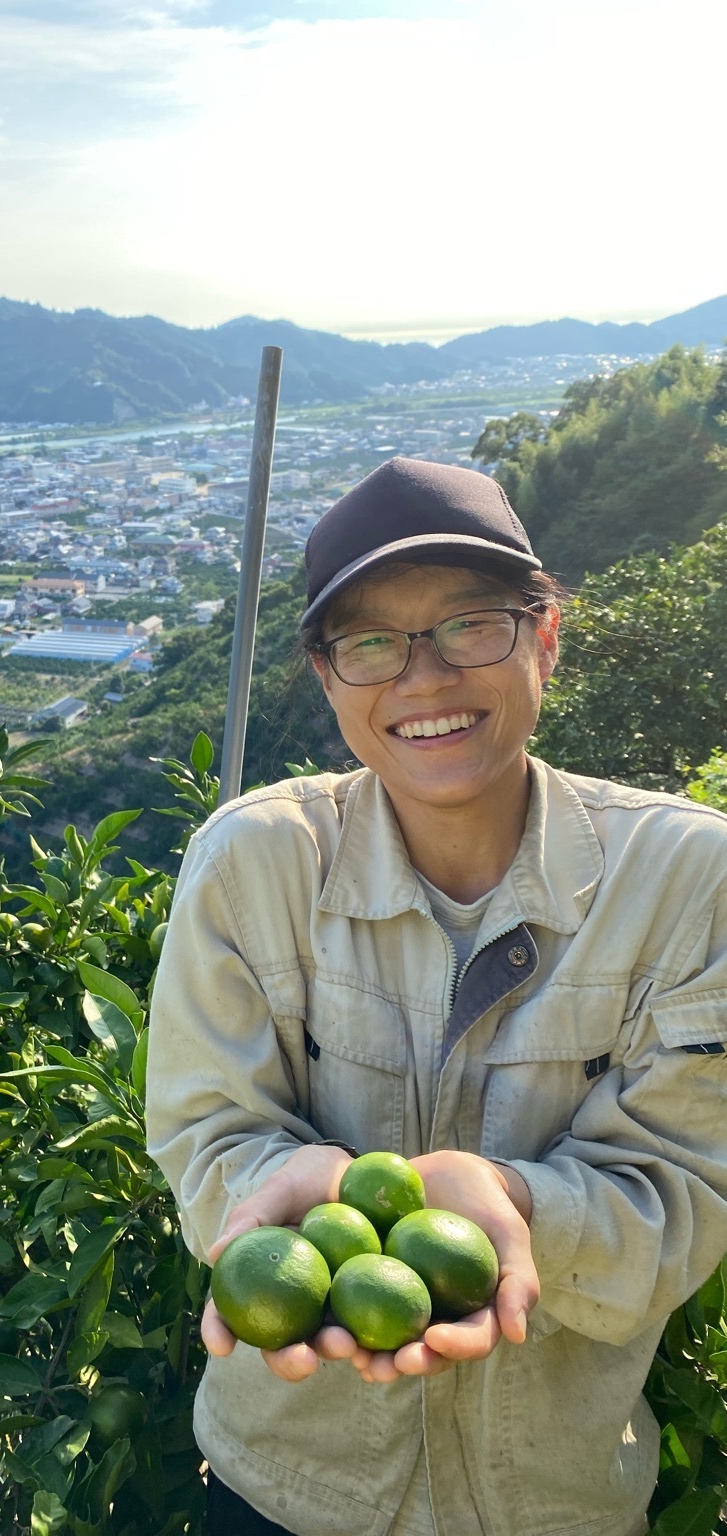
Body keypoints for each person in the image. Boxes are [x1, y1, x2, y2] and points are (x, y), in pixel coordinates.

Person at [145, 456, 727, 1536]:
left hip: (560, 1502)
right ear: (329, 678)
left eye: (471, 624)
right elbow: (206, 1134)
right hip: (286, 1491)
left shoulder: (692, 881)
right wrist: (301, 1181)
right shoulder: (252, 865)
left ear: (547, 634)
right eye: (372, 642)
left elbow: (685, 1201)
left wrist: (513, 1207)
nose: (422, 677)